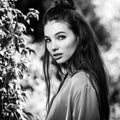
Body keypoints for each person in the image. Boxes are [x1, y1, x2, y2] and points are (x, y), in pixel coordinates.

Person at [42, 0, 110, 120]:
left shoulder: (82, 83)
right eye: (48, 40)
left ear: (78, 37)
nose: (53, 47)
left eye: (61, 37)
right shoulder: (71, 77)